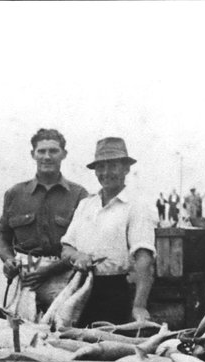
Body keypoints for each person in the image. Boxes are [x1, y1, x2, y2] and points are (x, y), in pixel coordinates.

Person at [60, 137, 156, 326]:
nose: (105, 173)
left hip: (116, 290)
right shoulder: (86, 204)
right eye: (100, 167)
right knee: (71, 341)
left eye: (112, 166)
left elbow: (144, 259)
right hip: (79, 286)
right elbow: (66, 248)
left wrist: (139, 305)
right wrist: (78, 256)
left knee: (107, 344)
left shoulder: (136, 206)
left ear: (126, 168)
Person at [0, 129, 89, 317]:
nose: (47, 157)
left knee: (61, 330)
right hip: (24, 275)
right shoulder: (15, 193)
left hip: (63, 274)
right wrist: (8, 261)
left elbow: (85, 247)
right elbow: (4, 239)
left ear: (64, 154)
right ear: (33, 154)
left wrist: (49, 270)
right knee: (16, 330)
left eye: (53, 151)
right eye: (41, 151)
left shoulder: (79, 195)